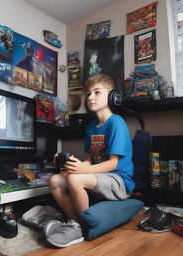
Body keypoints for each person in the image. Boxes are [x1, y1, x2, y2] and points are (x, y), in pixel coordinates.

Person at [45, 73, 135, 247]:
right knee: (55, 180)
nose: (90, 97)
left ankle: (82, 226)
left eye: (97, 92)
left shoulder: (116, 122)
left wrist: (81, 172)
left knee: (74, 178)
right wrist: (73, 165)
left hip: (118, 180)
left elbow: (113, 163)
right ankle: (77, 224)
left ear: (112, 96)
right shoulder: (91, 128)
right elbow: (89, 161)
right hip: (99, 176)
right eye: (89, 93)